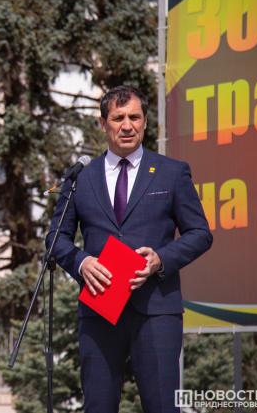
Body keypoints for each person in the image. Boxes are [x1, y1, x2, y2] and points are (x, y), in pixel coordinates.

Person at [45, 85, 212, 412]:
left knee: (163, 406)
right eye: (118, 118)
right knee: (98, 406)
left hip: (156, 311)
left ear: (146, 122)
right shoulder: (80, 179)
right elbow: (55, 238)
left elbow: (200, 233)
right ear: (102, 124)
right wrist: (82, 262)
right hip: (99, 309)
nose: (127, 125)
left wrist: (161, 259)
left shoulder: (171, 172)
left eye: (134, 117)